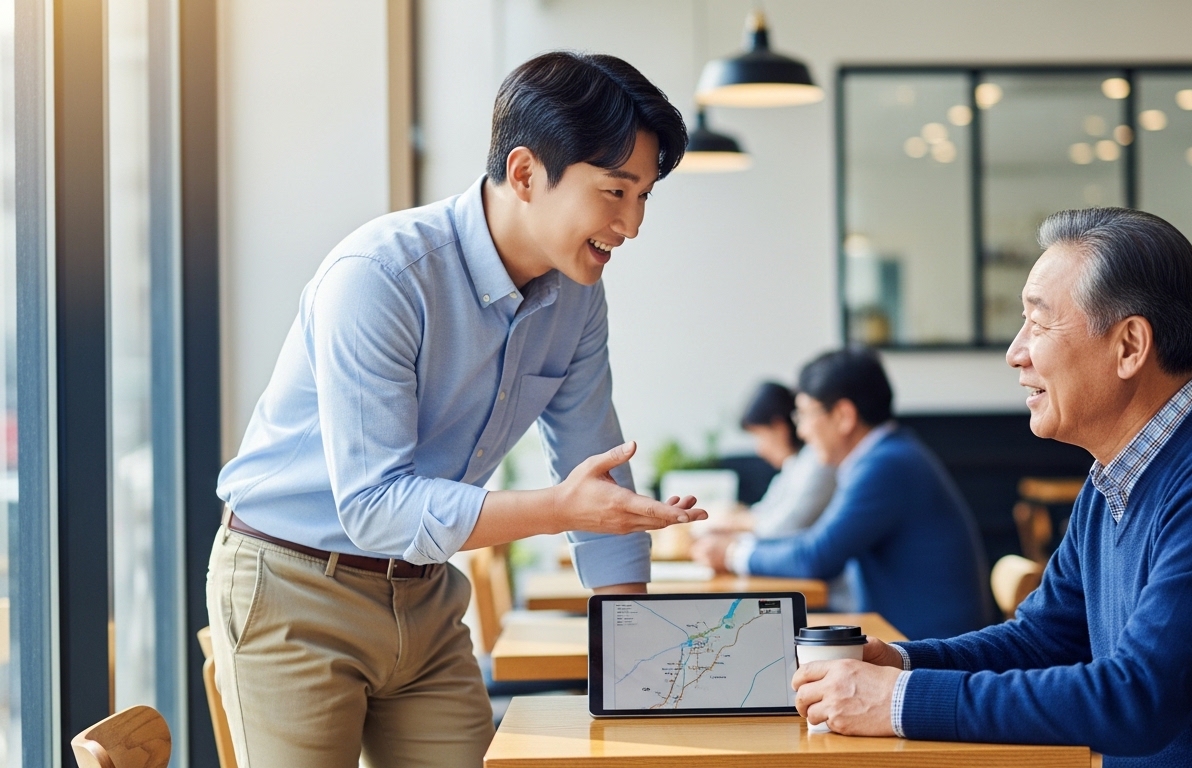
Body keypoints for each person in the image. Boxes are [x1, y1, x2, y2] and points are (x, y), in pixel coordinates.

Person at [208, 52, 706, 767]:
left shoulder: (576, 297)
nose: (631, 225)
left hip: (427, 594)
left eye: (645, 196)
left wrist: (639, 674)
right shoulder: (380, 278)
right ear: (528, 173)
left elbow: (598, 476)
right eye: (615, 192)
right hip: (295, 587)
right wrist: (565, 508)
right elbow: (375, 506)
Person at [790, 208, 1192, 765]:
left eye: (1037, 322)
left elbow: (1138, 699)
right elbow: (1044, 639)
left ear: (1129, 345)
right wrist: (900, 661)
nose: (1015, 353)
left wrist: (898, 700)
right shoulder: (1117, 474)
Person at [694, 349, 990, 641]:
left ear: (843, 417)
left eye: (806, 415)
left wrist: (732, 553)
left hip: (931, 650)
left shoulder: (886, 464)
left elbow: (816, 556)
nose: (804, 431)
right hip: (909, 635)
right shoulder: (887, 454)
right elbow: (816, 545)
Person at [739, 381, 836, 540]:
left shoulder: (818, 460)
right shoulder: (796, 463)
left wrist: (739, 522)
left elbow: (782, 528)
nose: (802, 430)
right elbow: (765, 512)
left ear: (779, 427)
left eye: (759, 436)